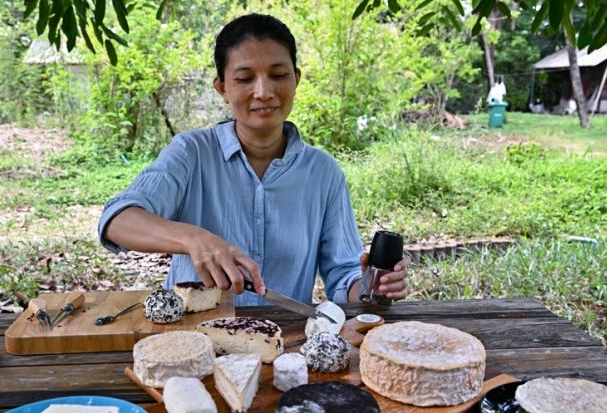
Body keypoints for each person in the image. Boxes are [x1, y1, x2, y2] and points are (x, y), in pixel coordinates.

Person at [98, 13, 408, 306]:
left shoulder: (322, 173)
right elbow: (117, 220)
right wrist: (193, 238)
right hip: (195, 342)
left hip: (283, 344)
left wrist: (372, 287)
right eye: (245, 78)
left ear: (296, 79)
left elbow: (344, 277)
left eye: (278, 75)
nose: (263, 92)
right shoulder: (191, 153)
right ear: (223, 87)